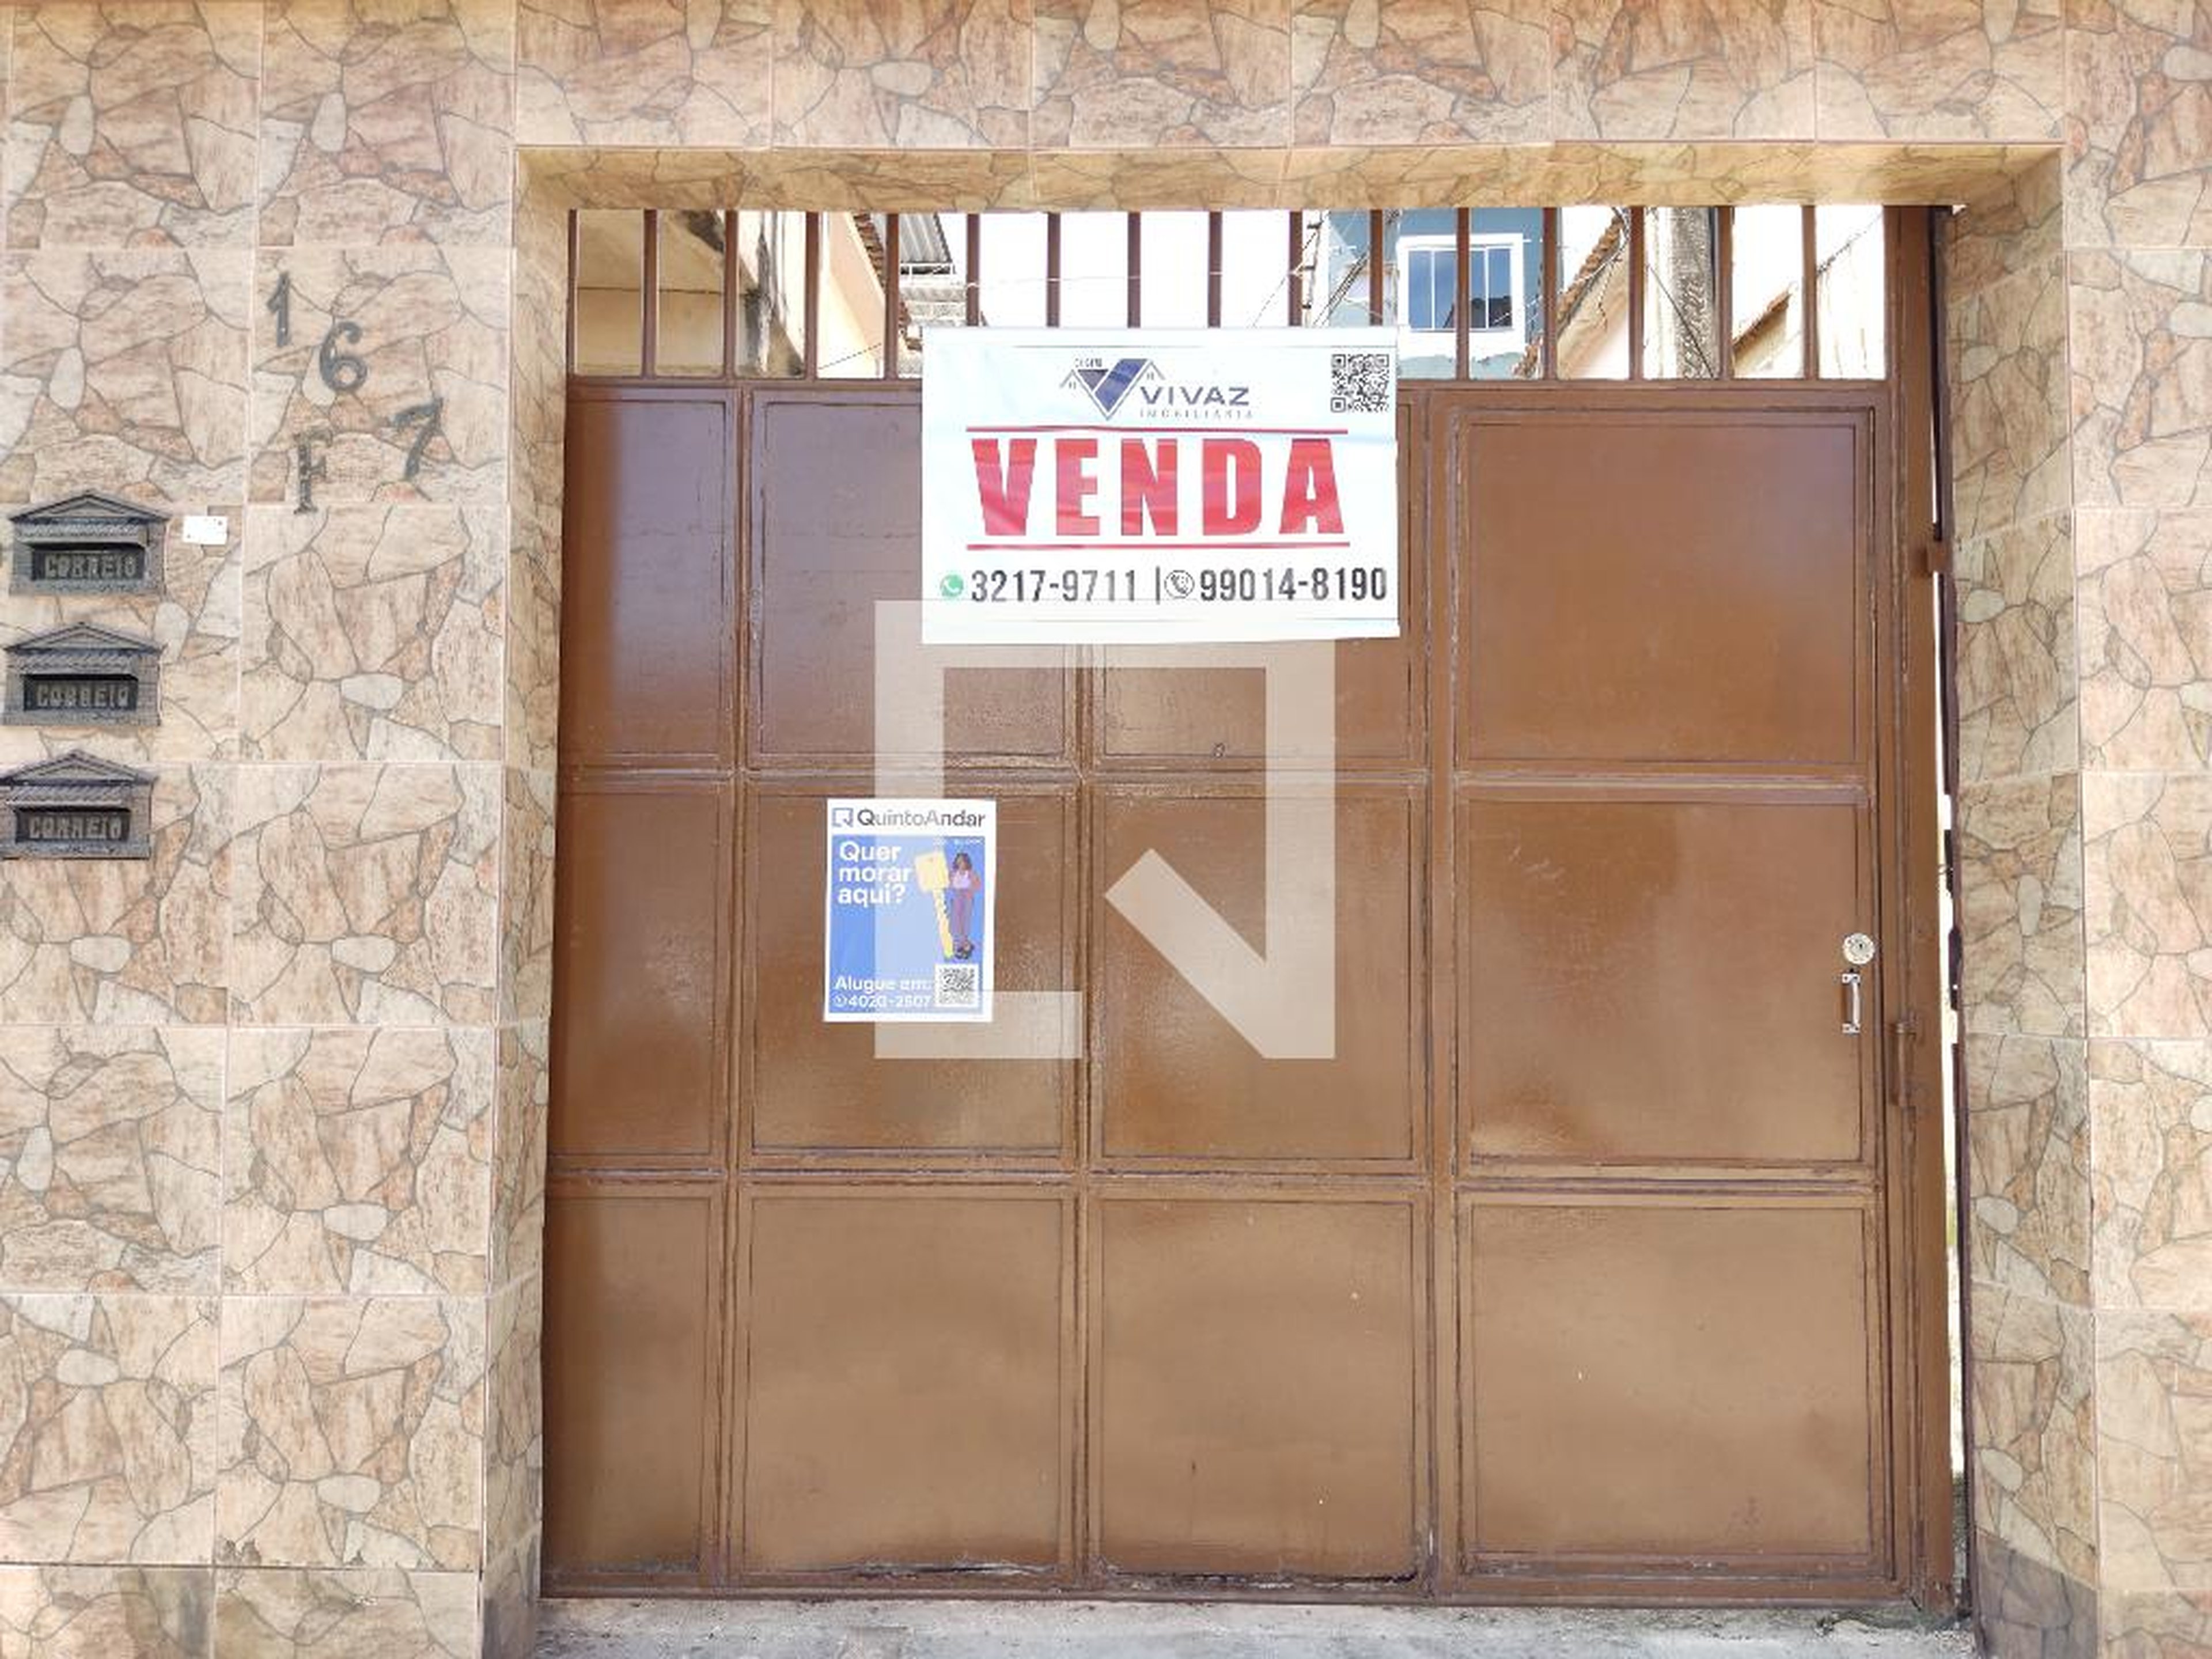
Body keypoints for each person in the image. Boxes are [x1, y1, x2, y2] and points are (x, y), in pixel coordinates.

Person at [947, 850, 978, 961]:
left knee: (965, 923)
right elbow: (949, 885)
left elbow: (977, 886)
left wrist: (969, 892)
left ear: (967, 863)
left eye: (963, 862)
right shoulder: (952, 873)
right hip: (956, 899)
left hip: (967, 898)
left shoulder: (971, 873)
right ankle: (966, 946)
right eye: (959, 862)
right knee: (955, 924)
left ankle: (963, 947)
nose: (961, 864)